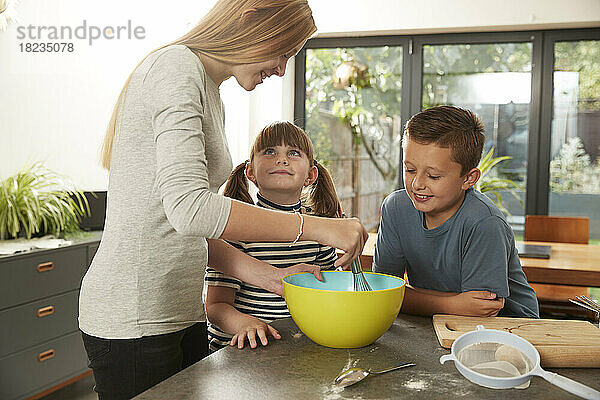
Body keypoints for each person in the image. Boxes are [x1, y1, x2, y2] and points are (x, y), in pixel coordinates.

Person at [78, 1, 368, 398]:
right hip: (133, 314)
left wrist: (268, 277)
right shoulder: (175, 68)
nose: (282, 69)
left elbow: (186, 229)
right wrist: (318, 226)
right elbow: (191, 209)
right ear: (251, 18)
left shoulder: (209, 89)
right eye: (282, 51)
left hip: (179, 310)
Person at [373, 105, 539, 318]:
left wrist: (409, 297)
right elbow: (382, 293)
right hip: (438, 321)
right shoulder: (395, 208)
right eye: (410, 170)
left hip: (512, 329)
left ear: (468, 179)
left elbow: (478, 312)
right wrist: (452, 304)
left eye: (433, 176)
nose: (416, 184)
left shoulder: (484, 223)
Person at [205, 121, 343, 352]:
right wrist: (244, 324)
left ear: (310, 175)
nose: (282, 160)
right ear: (250, 172)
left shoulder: (321, 231)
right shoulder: (235, 230)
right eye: (270, 151)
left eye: (293, 153)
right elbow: (216, 306)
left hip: (297, 350)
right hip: (243, 350)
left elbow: (329, 291)